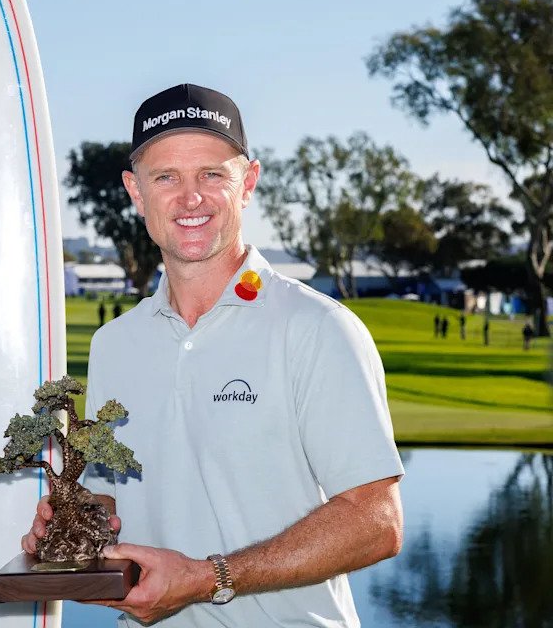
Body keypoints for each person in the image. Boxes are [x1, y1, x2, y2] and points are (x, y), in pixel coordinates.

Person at [23, 84, 404, 627]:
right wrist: (71, 521)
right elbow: (110, 499)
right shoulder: (115, 343)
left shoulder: (317, 327)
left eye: (211, 175)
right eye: (166, 177)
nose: (190, 198)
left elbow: (376, 522)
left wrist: (210, 577)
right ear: (136, 191)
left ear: (247, 183)